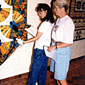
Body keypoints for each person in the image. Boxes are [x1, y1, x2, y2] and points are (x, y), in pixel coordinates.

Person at [23, 3, 54, 85]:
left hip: (39, 50)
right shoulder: (50, 23)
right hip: (45, 50)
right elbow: (41, 36)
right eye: (38, 13)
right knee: (42, 71)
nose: (39, 15)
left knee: (34, 71)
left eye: (40, 12)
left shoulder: (44, 24)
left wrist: (24, 42)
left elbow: (37, 37)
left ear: (46, 11)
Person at [48, 0, 75, 85]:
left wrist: (54, 47)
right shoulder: (59, 19)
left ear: (62, 9)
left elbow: (69, 42)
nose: (54, 10)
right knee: (57, 76)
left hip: (62, 51)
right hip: (56, 49)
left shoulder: (68, 22)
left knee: (61, 78)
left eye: (55, 8)